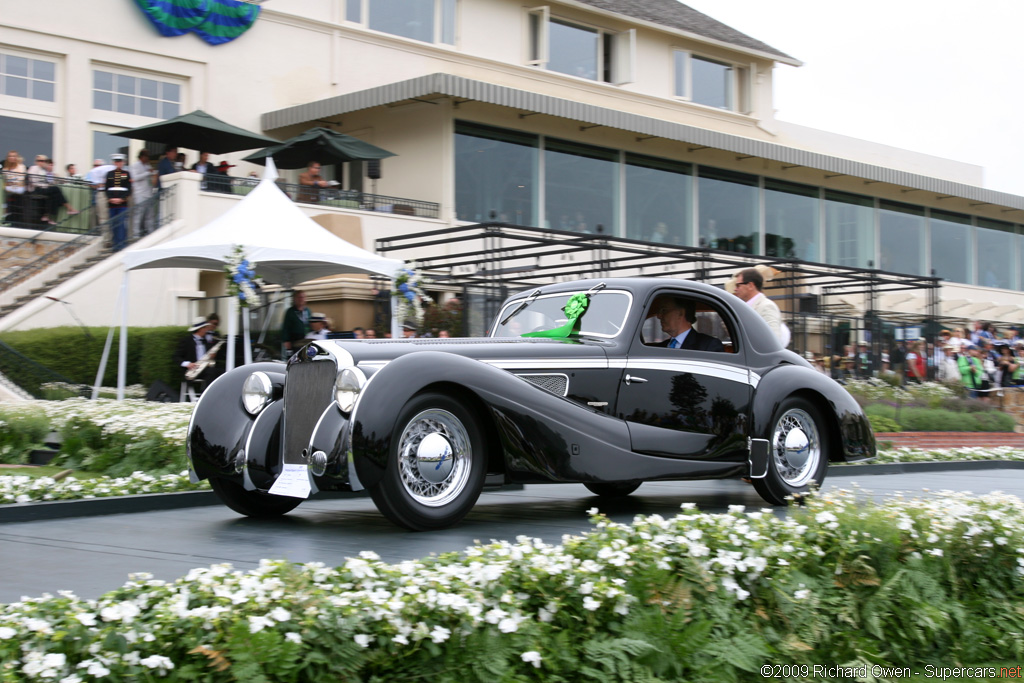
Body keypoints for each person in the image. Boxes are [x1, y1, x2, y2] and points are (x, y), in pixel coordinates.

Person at [650, 295, 724, 352]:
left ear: (681, 313)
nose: (659, 316)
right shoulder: (658, 348)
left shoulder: (708, 346)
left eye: (664, 310)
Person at [733, 268, 785, 344]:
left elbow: (773, 341)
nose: (735, 289)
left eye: (738, 285)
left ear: (750, 285)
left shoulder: (767, 306)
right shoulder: (745, 307)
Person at [26, 155, 79, 224]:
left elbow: (44, 181)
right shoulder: (34, 168)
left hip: (41, 188)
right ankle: (69, 209)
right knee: (56, 189)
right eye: (40, 161)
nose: (42, 162)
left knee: (55, 194)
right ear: (36, 162)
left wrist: (46, 185)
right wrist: (46, 185)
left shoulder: (42, 171)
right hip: (36, 190)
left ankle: (47, 216)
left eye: (44, 161)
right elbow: (34, 182)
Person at [173, 316, 221, 390]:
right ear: (200, 329)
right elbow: (176, 356)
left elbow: (211, 357)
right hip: (192, 371)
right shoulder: (186, 341)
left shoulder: (206, 341)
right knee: (212, 372)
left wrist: (212, 356)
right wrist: (188, 364)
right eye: (205, 328)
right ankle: (205, 395)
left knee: (222, 372)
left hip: (205, 369)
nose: (207, 330)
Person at [105, 154, 132, 250]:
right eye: (117, 161)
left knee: (121, 224)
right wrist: (111, 198)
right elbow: (107, 188)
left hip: (122, 204)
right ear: (114, 162)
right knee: (113, 225)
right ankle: (115, 245)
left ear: (123, 162)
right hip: (111, 204)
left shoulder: (127, 173)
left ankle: (122, 245)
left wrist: (122, 199)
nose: (118, 163)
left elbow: (129, 189)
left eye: (120, 161)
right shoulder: (109, 174)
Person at [129, 149, 155, 238]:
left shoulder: (148, 165)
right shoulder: (135, 165)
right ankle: (136, 235)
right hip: (139, 194)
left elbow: (151, 176)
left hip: (149, 193)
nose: (147, 159)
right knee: (138, 215)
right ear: (142, 157)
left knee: (149, 216)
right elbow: (135, 177)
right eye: (146, 157)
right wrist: (147, 173)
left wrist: (152, 173)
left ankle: (150, 233)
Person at [281, 290, 311, 354]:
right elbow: (286, 327)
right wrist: (286, 340)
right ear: (295, 299)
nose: (301, 299)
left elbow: (311, 323)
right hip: (295, 340)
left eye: (303, 297)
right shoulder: (290, 312)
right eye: (299, 297)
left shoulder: (307, 311)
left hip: (306, 339)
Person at [2, 150, 27, 221]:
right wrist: (12, 181)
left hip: (19, 189)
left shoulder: (21, 167)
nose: (12, 157)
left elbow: (21, 179)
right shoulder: (5, 169)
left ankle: (5, 211)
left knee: (5, 190)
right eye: (10, 156)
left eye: (14, 156)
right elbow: (4, 181)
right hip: (9, 189)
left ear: (17, 157)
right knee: (3, 190)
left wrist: (11, 181)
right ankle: (4, 211)